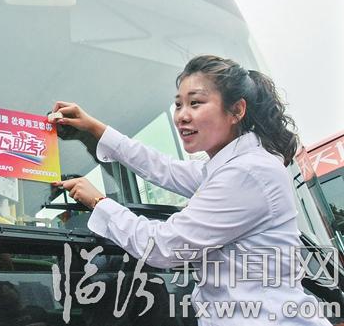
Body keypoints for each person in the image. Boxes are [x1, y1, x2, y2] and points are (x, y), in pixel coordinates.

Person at [51, 55, 331, 325]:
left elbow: (163, 247)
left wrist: (99, 202)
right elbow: (163, 168)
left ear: (237, 111)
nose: (182, 116)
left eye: (195, 103)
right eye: (178, 105)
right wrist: (96, 128)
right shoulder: (231, 168)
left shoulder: (248, 173)